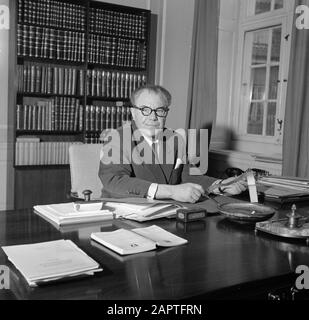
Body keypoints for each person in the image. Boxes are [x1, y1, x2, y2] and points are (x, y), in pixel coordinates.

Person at [99, 85, 247, 203]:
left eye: (160, 110)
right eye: (145, 110)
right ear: (133, 112)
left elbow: (186, 175)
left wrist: (220, 186)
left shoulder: (174, 139)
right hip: (121, 214)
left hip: (164, 213)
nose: (153, 117)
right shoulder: (117, 137)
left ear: (166, 113)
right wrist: (172, 191)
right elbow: (114, 181)